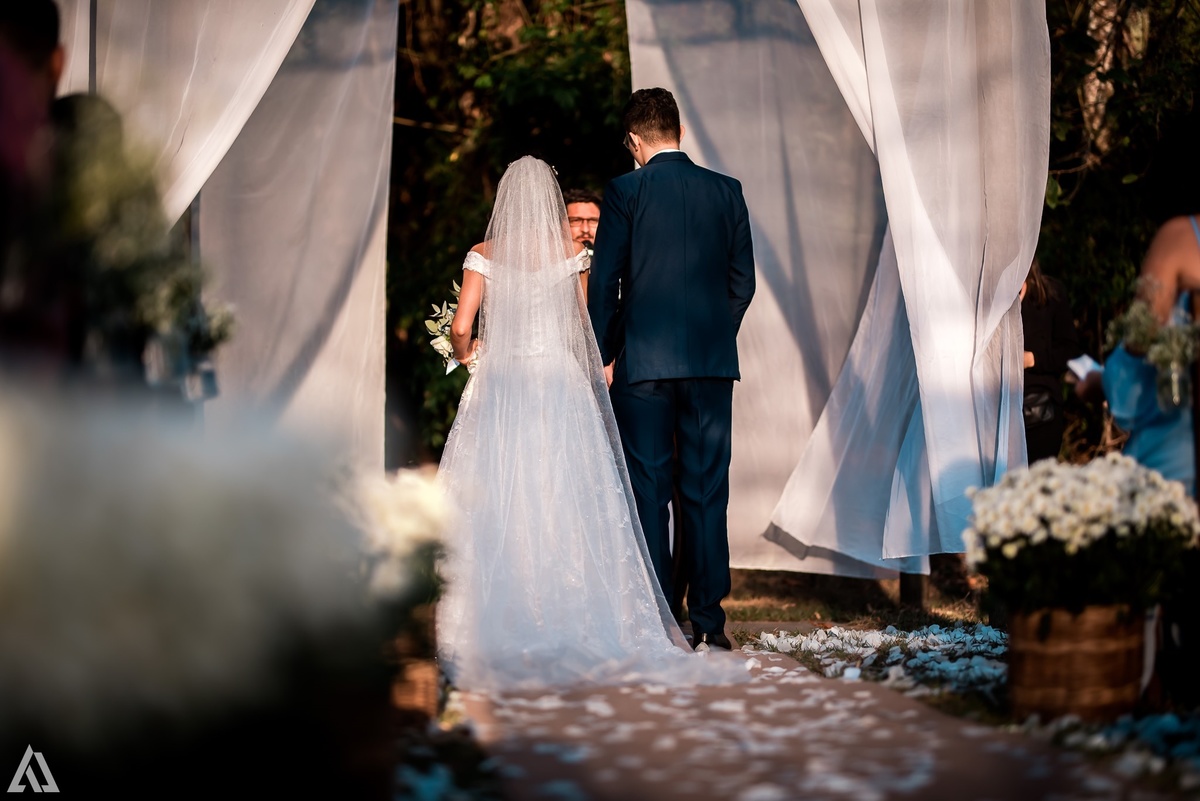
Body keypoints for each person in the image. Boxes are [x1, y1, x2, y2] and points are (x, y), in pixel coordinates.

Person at [434, 156, 745, 692]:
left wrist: (469, 356)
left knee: (501, 492)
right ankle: (575, 611)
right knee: (564, 493)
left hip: (502, 382)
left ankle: (495, 617)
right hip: (558, 380)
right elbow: (587, 327)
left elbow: (462, 327)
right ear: (552, 203)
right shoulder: (571, 255)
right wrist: (595, 369)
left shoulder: (483, 255)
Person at [588, 88, 756, 652]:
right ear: (680, 132)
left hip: (643, 367)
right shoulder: (727, 190)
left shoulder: (625, 191)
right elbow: (743, 283)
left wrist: (604, 352)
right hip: (710, 366)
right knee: (707, 491)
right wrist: (713, 337)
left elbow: (605, 283)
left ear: (634, 140)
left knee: (650, 490)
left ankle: (659, 619)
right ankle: (709, 622)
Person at [1020, 258, 1080, 463]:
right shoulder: (992, 296)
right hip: (999, 413)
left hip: (1040, 414)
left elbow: (1069, 352)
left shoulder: (1050, 294)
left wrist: (1032, 359)